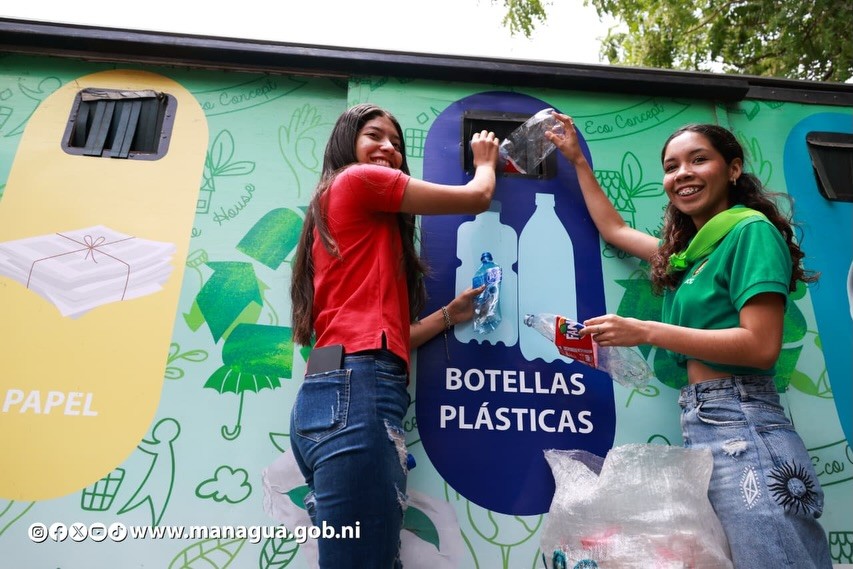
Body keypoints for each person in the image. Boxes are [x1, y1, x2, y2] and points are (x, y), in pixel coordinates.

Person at [546, 115, 832, 568]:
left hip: (744, 424)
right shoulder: (690, 254)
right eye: (671, 165)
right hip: (707, 421)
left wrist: (643, 331)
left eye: (699, 160)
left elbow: (760, 346)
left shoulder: (749, 231)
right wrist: (578, 160)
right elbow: (615, 232)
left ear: (733, 169)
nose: (682, 173)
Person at [289, 103, 499, 568]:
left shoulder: (344, 210)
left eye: (397, 144)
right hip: (357, 394)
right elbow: (476, 198)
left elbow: (386, 334)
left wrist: (450, 314)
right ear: (347, 142)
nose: (388, 149)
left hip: (330, 395)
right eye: (374, 135)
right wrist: (485, 162)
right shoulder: (358, 180)